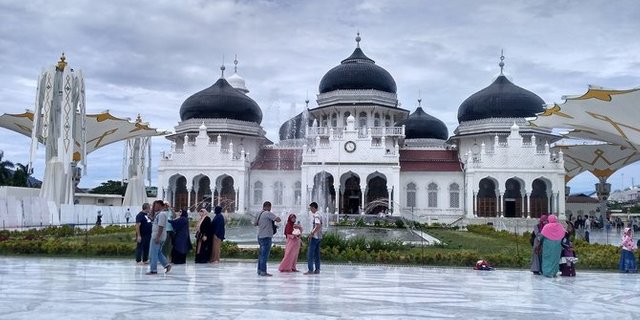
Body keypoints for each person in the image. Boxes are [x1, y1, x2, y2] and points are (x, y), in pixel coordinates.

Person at [256, 201, 281, 276]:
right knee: (264, 255)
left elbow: (254, 223)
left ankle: (259, 270)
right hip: (266, 236)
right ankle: (263, 271)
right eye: (270, 207)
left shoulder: (259, 213)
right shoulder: (267, 213)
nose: (270, 209)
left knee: (261, 254)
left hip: (260, 235)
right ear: (268, 207)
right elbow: (278, 219)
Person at [147, 200, 172, 275]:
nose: (154, 207)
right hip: (158, 236)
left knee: (153, 253)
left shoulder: (161, 214)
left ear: (161, 206)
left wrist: (158, 237)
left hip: (157, 236)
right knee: (158, 253)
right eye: (154, 206)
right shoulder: (159, 214)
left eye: (156, 205)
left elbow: (161, 226)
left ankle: (153, 269)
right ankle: (166, 265)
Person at [304, 202, 323, 275]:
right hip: (319, 237)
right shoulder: (320, 214)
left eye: (311, 208)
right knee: (317, 254)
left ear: (313, 207)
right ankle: (317, 269)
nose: (310, 210)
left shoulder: (316, 216)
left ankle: (310, 269)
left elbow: (317, 225)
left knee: (310, 254)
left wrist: (312, 233)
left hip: (315, 237)